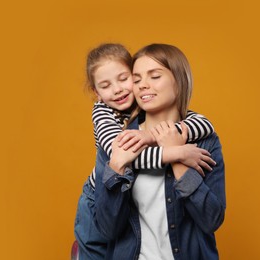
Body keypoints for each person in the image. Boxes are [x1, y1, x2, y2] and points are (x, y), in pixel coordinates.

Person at [74, 43, 217, 259]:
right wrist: (175, 154)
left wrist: (154, 136)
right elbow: (123, 152)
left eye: (124, 79)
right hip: (94, 198)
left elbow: (205, 124)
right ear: (97, 93)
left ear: (179, 79)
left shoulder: (205, 141)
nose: (118, 89)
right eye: (138, 78)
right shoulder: (105, 116)